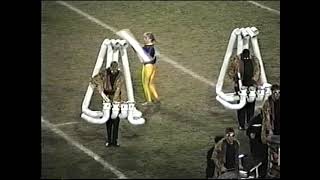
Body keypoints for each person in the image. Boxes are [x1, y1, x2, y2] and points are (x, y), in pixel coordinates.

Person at [90, 61, 127, 147]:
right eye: (112, 69)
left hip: (116, 99)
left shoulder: (120, 75)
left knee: (116, 120)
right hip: (107, 99)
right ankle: (109, 140)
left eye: (115, 69)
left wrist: (122, 102)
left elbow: (122, 89)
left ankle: (115, 140)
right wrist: (102, 92)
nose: (113, 71)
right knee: (108, 120)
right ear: (110, 68)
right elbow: (94, 80)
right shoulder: (105, 73)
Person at [227, 49, 260, 130]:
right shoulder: (237, 61)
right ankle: (242, 124)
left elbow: (257, 72)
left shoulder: (253, 61)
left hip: (251, 85)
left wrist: (254, 82)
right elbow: (231, 72)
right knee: (242, 106)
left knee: (250, 105)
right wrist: (236, 80)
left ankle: (249, 123)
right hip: (241, 85)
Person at [246, 110, 268, 178]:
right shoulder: (256, 121)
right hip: (258, 147)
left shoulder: (269, 120)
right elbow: (250, 133)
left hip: (266, 147)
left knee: (265, 163)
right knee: (258, 164)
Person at [140, 32, 160, 105]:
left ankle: (149, 101)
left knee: (145, 83)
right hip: (152, 66)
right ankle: (157, 98)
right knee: (151, 83)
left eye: (146, 38)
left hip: (148, 67)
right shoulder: (148, 46)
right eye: (144, 37)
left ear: (150, 39)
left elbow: (147, 56)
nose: (144, 39)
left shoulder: (151, 48)